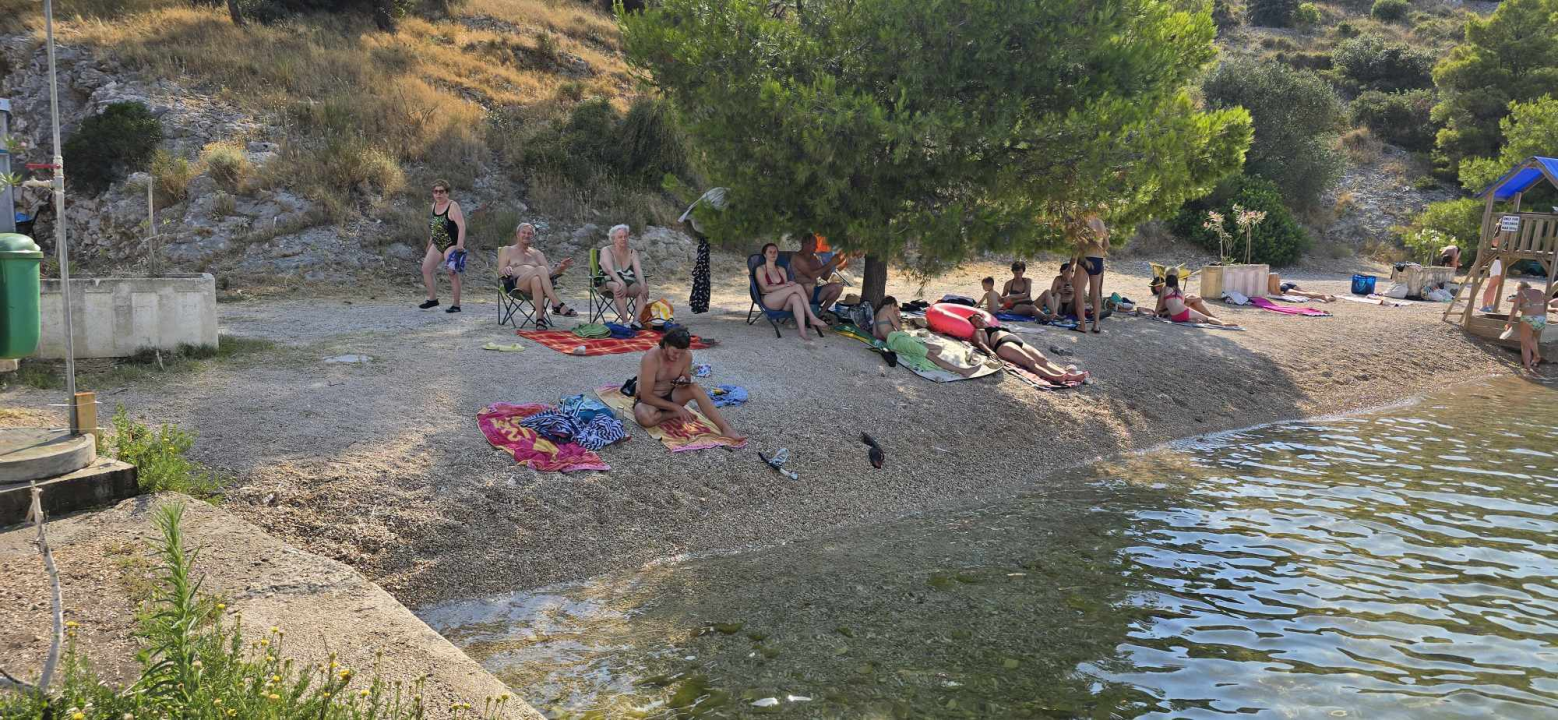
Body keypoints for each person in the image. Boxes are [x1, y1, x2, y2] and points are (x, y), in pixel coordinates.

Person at [633, 328, 745, 441]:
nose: (677, 357)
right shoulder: (651, 357)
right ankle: (672, 414)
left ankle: (726, 428)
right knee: (645, 419)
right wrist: (676, 408)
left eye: (681, 353)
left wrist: (683, 381)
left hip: (672, 394)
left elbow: (687, 379)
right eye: (675, 352)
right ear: (666, 345)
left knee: (695, 388)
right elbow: (646, 396)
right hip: (652, 399)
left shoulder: (686, 356)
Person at [966, 314, 1088, 383]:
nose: (978, 320)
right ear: (973, 324)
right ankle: (1055, 377)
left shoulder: (997, 326)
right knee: (1030, 361)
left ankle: (1067, 375)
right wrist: (990, 352)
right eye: (975, 320)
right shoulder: (979, 331)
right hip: (1002, 344)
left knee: (1043, 360)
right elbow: (980, 343)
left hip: (1018, 341)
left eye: (979, 317)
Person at [500, 223, 575, 329]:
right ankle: (557, 303)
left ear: (533, 236)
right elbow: (499, 271)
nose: (526, 235)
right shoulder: (507, 250)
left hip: (536, 285)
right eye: (524, 232)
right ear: (517, 234)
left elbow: (549, 274)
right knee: (540, 269)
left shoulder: (537, 253)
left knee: (536, 280)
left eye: (529, 233)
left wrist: (560, 268)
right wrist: (504, 269)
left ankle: (540, 320)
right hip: (516, 285)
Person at [755, 242, 830, 342]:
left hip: (783, 302)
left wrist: (782, 286)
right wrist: (784, 285)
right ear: (765, 255)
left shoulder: (781, 270)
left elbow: (787, 290)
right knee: (797, 286)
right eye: (770, 252)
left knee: (796, 297)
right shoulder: (760, 270)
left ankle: (802, 332)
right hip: (769, 300)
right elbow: (765, 288)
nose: (773, 254)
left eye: (775, 252)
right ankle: (812, 317)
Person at [420, 179, 466, 313]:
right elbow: (435, 227)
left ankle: (456, 305)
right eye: (435, 191)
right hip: (437, 243)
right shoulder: (433, 206)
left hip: (451, 243)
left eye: (441, 191)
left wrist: (460, 245)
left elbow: (461, 225)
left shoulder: (453, 205)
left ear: (447, 193)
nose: (438, 194)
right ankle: (432, 299)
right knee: (426, 269)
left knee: (452, 272)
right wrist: (429, 244)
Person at [599, 224, 651, 328]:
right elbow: (609, 270)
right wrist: (620, 282)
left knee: (643, 288)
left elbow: (638, 270)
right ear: (614, 238)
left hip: (628, 284)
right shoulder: (606, 250)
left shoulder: (632, 252)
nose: (623, 239)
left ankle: (636, 322)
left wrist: (643, 283)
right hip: (606, 283)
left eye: (625, 236)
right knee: (618, 286)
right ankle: (625, 322)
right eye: (620, 237)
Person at [1072, 214, 1109, 334]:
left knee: (1078, 292)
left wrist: (1070, 266)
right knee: (1095, 293)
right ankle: (1096, 324)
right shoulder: (1101, 223)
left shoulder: (1083, 223)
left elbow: (1077, 247)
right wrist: (1100, 253)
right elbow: (1107, 244)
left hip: (1085, 259)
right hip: (1098, 260)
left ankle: (1082, 325)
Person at [1156, 273, 1239, 327]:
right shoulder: (1181, 292)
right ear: (1176, 282)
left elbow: (1159, 303)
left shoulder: (1165, 289)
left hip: (1175, 318)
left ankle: (1192, 319)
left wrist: (1154, 314)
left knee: (1190, 310)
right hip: (1182, 313)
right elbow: (1182, 305)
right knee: (1206, 318)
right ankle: (1222, 324)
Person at [789, 233, 846, 311]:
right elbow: (811, 275)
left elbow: (825, 277)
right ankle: (808, 314)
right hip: (801, 293)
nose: (816, 247)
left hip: (814, 292)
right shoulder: (797, 257)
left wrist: (834, 264)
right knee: (808, 286)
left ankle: (822, 313)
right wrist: (830, 264)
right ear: (805, 244)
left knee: (838, 287)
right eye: (814, 245)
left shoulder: (814, 258)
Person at [1506, 281, 1548, 372]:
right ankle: (1536, 355)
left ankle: (1528, 368)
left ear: (1520, 288)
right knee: (1532, 338)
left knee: (1525, 345)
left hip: (1528, 319)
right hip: (1541, 319)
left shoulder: (1521, 293)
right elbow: (1548, 301)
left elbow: (1514, 309)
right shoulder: (1539, 291)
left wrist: (1509, 323)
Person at [1267, 273, 1336, 302]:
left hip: (1283, 287)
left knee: (1302, 294)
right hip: (1287, 283)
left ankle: (1322, 296)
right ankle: (1328, 298)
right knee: (1304, 292)